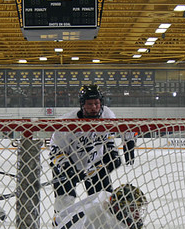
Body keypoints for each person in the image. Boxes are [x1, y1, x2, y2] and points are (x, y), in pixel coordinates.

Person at [49, 84, 135, 217]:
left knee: (104, 201)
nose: (94, 107)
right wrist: (66, 167)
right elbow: (55, 150)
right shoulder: (67, 122)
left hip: (94, 165)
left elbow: (108, 137)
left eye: (97, 103)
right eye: (89, 104)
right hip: (68, 165)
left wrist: (111, 152)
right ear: (82, 104)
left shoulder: (108, 115)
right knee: (64, 203)